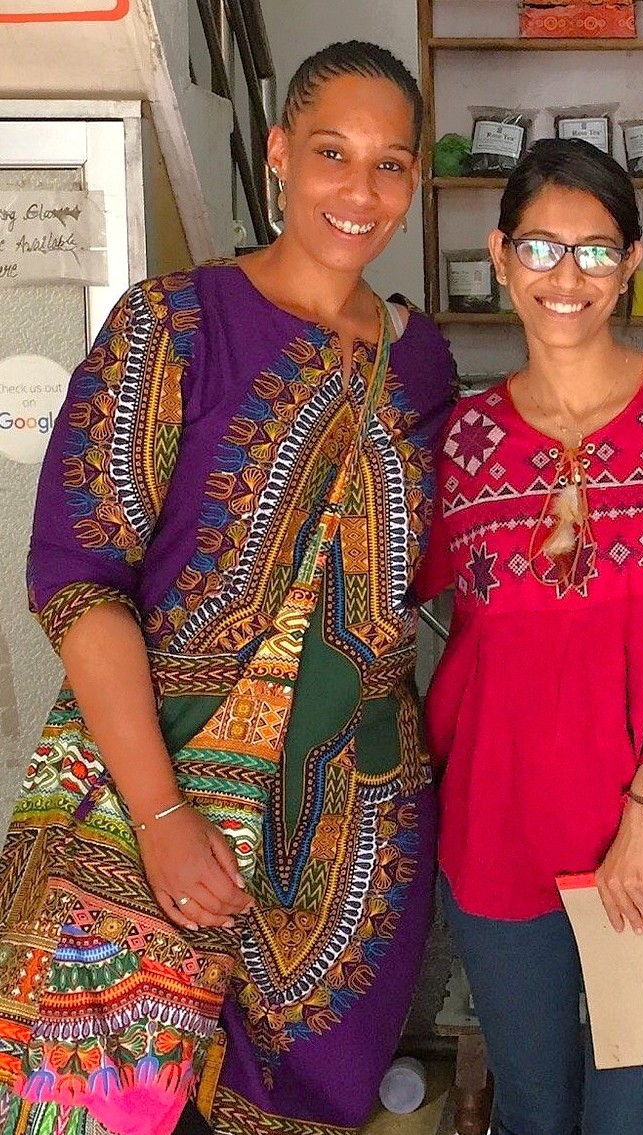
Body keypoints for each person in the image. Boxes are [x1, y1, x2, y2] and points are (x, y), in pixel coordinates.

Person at [0, 41, 456, 1135]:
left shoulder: (421, 361)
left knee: (298, 1107)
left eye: (390, 165)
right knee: (100, 1102)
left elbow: (418, 573)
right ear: (279, 156)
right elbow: (77, 577)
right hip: (142, 798)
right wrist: (161, 812)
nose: (360, 190)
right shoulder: (174, 326)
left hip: (349, 824)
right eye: (333, 154)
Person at [417, 138, 643, 1135]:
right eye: (539, 248)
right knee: (532, 1106)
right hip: (498, 823)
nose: (565, 277)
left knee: (630, 1109)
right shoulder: (462, 439)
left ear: (630, 263)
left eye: (594, 251)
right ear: (498, 255)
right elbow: (393, 585)